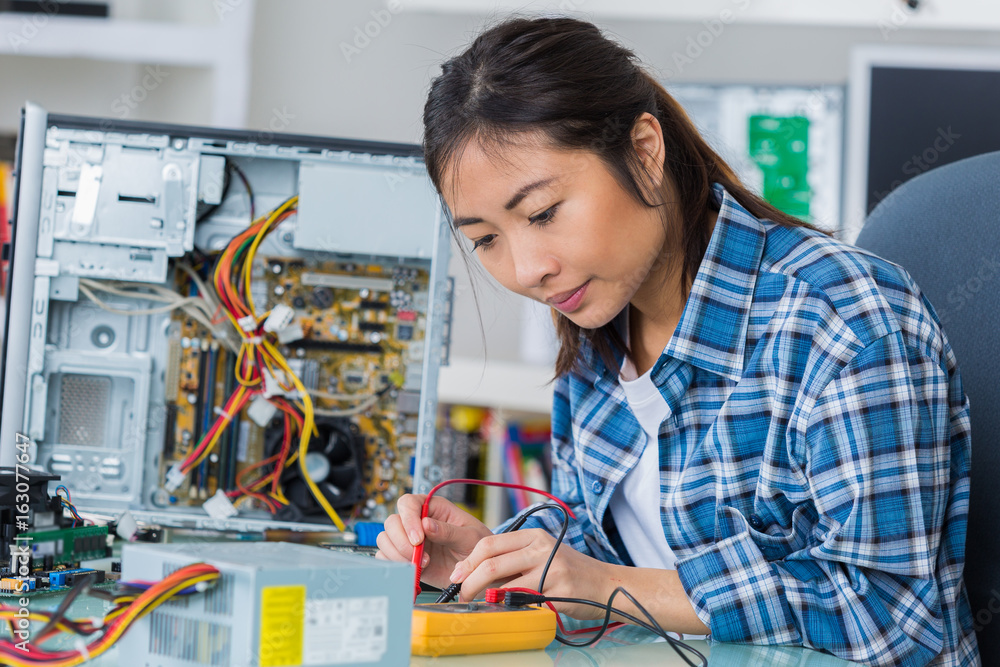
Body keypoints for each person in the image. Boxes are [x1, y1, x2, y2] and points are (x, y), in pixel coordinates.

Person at [375, 16, 979, 666]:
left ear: (644, 149)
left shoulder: (840, 320)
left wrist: (605, 585)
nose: (526, 270)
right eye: (487, 239)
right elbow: (606, 548)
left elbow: (886, 617)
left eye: (544, 213)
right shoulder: (595, 326)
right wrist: (496, 558)